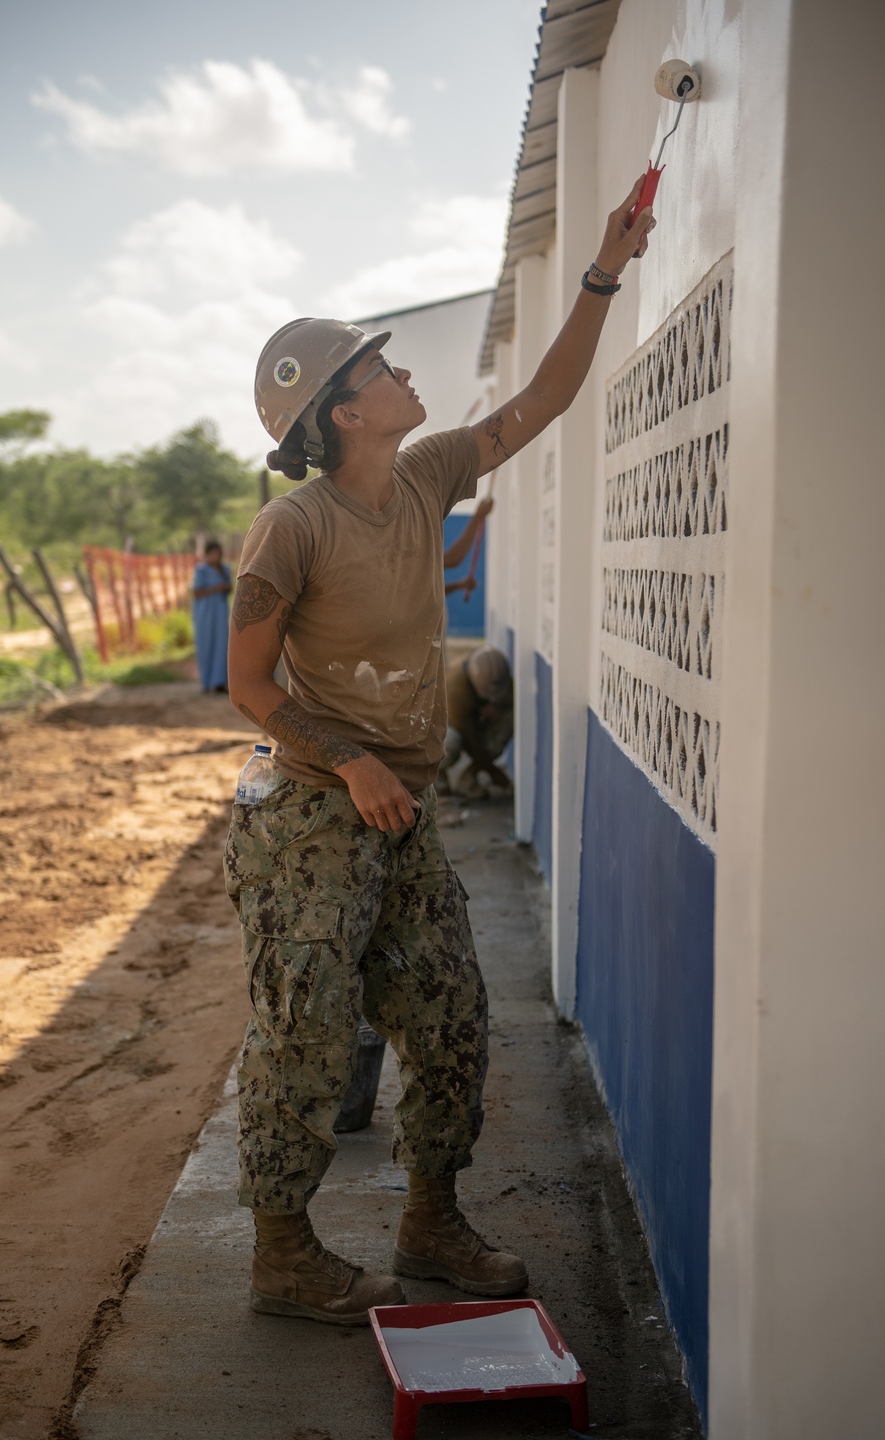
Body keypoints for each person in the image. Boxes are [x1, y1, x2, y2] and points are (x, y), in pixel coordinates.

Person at [225, 181, 656, 1326]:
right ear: (342, 413)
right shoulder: (292, 528)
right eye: (381, 370)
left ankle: (429, 1223)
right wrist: (352, 763)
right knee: (306, 1030)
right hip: (312, 814)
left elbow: (544, 400)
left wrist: (603, 272)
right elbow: (250, 685)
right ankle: (282, 1250)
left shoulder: (426, 477)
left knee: (453, 1014)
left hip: (397, 813)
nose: (405, 374)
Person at [440, 646, 513, 798]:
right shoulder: (456, 689)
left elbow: (510, 699)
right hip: (447, 724)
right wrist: (493, 771)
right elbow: (469, 740)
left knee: (508, 722)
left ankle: (467, 781)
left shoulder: (497, 672)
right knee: (451, 743)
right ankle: (434, 779)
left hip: (476, 718)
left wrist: (496, 705)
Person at [191, 540, 232, 692]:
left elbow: (230, 588)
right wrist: (216, 588)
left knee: (222, 646)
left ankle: (220, 682)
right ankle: (206, 683)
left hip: (221, 614)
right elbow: (196, 592)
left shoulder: (225, 569)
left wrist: (224, 587)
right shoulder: (201, 571)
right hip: (205, 615)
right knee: (206, 646)